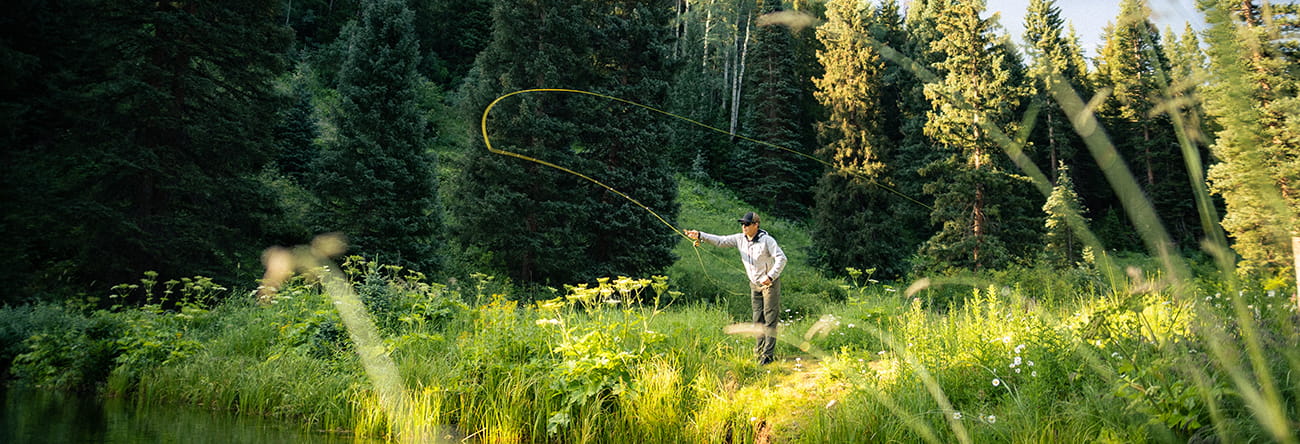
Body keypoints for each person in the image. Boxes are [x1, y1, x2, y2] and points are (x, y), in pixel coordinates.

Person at [685, 212, 787, 365]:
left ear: (756, 225)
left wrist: (771, 276)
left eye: (747, 224)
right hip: (754, 285)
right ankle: (758, 353)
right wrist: (700, 235)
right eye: (742, 224)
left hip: (769, 285)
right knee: (757, 320)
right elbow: (720, 241)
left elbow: (782, 258)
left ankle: (767, 356)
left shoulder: (767, 241)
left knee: (770, 319)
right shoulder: (740, 239)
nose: (743, 227)